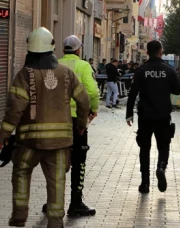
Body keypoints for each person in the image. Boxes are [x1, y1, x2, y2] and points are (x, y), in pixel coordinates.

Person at [0, 27, 90, 228]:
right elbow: (84, 101)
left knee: (21, 172)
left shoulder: (24, 75)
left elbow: (14, 109)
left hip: (29, 143)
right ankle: (56, 222)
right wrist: (81, 126)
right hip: (60, 143)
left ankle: (19, 217)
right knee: (57, 182)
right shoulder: (67, 73)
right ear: (52, 48)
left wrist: (3, 135)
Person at [47, 35, 99, 216]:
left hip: (55, 119)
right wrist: (93, 109)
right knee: (78, 160)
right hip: (77, 121)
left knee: (55, 161)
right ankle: (75, 202)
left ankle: (52, 202)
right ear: (79, 50)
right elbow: (91, 91)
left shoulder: (53, 65)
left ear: (63, 50)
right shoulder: (84, 66)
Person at [126, 40, 180, 193]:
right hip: (163, 115)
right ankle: (161, 167)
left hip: (145, 115)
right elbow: (178, 90)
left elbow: (133, 92)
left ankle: (144, 183)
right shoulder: (168, 70)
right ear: (160, 51)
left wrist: (129, 113)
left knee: (144, 148)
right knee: (163, 145)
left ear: (147, 52)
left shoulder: (142, 70)